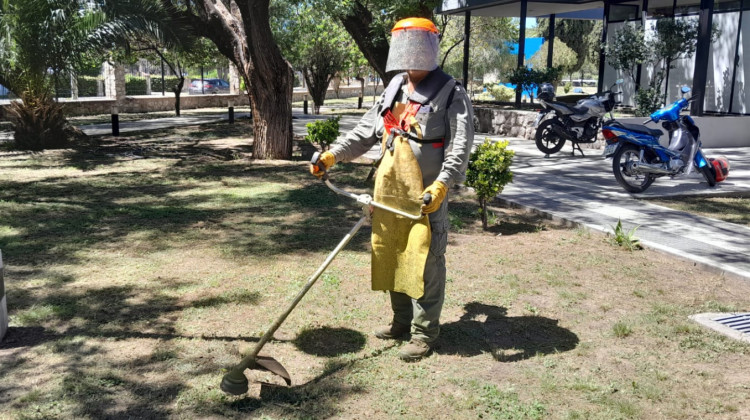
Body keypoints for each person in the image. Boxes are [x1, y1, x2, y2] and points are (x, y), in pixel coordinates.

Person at [310, 17, 474, 361]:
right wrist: (331, 156)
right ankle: (401, 321)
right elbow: (365, 132)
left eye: (417, 45)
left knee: (427, 260)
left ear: (429, 48)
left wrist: (442, 186)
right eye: (405, 45)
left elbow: (459, 146)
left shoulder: (450, 91)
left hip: (425, 196)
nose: (411, 54)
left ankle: (424, 333)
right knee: (392, 254)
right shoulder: (394, 87)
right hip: (389, 194)